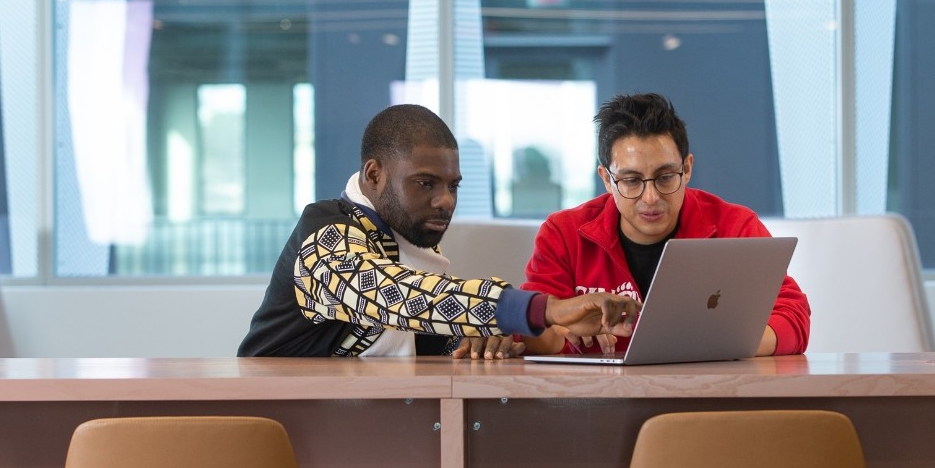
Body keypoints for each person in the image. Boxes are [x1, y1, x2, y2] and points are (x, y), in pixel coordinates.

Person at [238, 104, 638, 358]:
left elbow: (435, 333)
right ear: (374, 175)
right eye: (426, 183)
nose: (446, 200)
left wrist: (510, 337)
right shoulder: (326, 236)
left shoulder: (406, 243)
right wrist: (545, 308)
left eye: (453, 186)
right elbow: (395, 295)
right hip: (274, 433)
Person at [519, 92, 810, 356]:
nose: (651, 197)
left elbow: (794, 317)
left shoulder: (735, 227)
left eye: (665, 177)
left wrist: (715, 345)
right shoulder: (564, 233)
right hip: (595, 402)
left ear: (687, 169)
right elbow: (527, 333)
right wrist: (556, 331)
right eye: (631, 181)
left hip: (705, 399)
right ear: (607, 179)